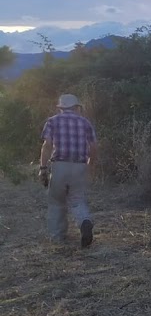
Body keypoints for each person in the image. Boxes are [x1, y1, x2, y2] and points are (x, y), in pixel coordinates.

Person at [39, 94, 98, 247]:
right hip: (80, 165)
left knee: (57, 202)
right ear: (77, 107)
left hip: (59, 165)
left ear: (60, 108)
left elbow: (47, 146)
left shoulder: (52, 121)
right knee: (78, 199)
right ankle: (84, 221)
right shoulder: (85, 122)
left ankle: (57, 238)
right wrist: (90, 164)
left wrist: (43, 168)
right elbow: (93, 146)